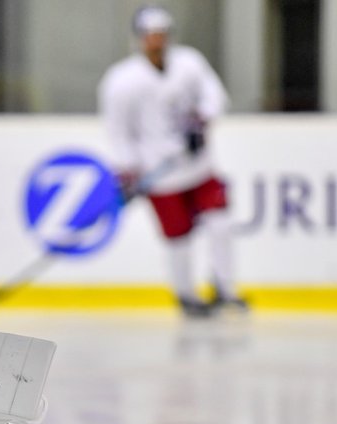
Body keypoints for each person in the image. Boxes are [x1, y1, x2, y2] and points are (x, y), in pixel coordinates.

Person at [98, 5, 248, 317]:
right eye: (151, 35)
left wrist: (201, 120)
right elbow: (118, 131)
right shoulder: (121, 81)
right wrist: (128, 170)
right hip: (160, 174)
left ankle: (226, 288)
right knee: (178, 236)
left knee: (220, 223)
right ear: (139, 38)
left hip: (198, 165)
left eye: (162, 35)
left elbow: (215, 96)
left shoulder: (189, 63)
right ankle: (186, 295)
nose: (157, 41)